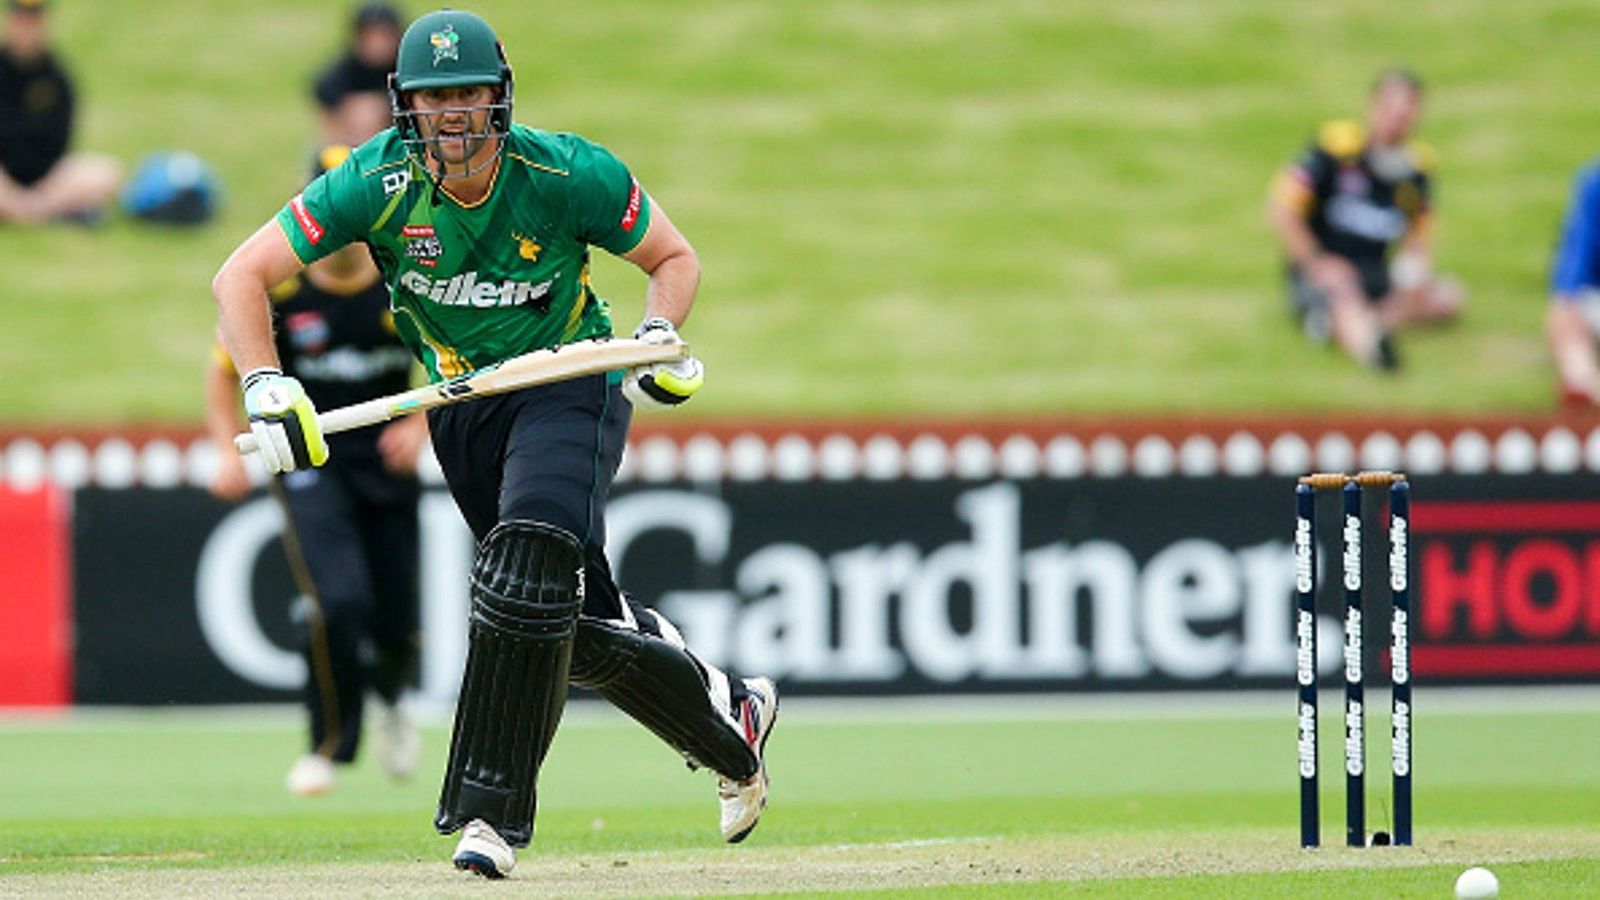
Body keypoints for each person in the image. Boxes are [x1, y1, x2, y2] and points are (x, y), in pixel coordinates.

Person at [211, 9, 778, 878]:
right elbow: (240, 276)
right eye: (432, 97)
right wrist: (264, 385)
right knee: (571, 616)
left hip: (569, 379)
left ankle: (490, 817)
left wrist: (658, 336)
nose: (451, 114)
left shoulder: (568, 172)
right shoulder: (373, 179)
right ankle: (728, 714)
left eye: (467, 93)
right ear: (405, 105)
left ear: (500, 96)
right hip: (462, 405)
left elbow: (674, 259)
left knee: (525, 569)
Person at [205, 144, 429, 797]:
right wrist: (224, 449)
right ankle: (328, 745)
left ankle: (394, 701)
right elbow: (221, 374)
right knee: (337, 601)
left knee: (396, 621)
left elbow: (452, 360)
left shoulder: (402, 280)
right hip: (310, 463)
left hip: (386, 464)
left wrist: (419, 424)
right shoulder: (280, 290)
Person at [1266, 67, 1464, 371]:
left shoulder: (1417, 170)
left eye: (1406, 110)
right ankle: (1372, 350)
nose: (1397, 118)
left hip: (1374, 271)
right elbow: (1281, 209)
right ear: (1372, 106)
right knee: (1344, 298)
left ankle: (1364, 324)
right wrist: (1317, 262)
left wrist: (1414, 278)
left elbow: (1418, 240)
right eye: (1390, 108)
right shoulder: (1335, 148)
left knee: (1449, 297)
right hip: (1327, 269)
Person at [0, 0, 119, 224]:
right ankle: (40, 211)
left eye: (33, 23)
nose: (26, 31)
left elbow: (63, 137)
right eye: (21, 22)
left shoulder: (58, 76)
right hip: (4, 177)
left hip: (47, 179)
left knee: (106, 171)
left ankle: (25, 211)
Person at [312, 2, 405, 146]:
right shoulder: (344, 70)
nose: (377, 45)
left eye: (384, 36)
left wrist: (382, 108)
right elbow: (325, 96)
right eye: (370, 36)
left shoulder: (405, 68)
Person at [1547, 159, 1600, 407]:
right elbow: (1579, 249)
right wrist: (1567, 297)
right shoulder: (1595, 182)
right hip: (1594, 297)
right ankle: (1581, 379)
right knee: (1568, 317)